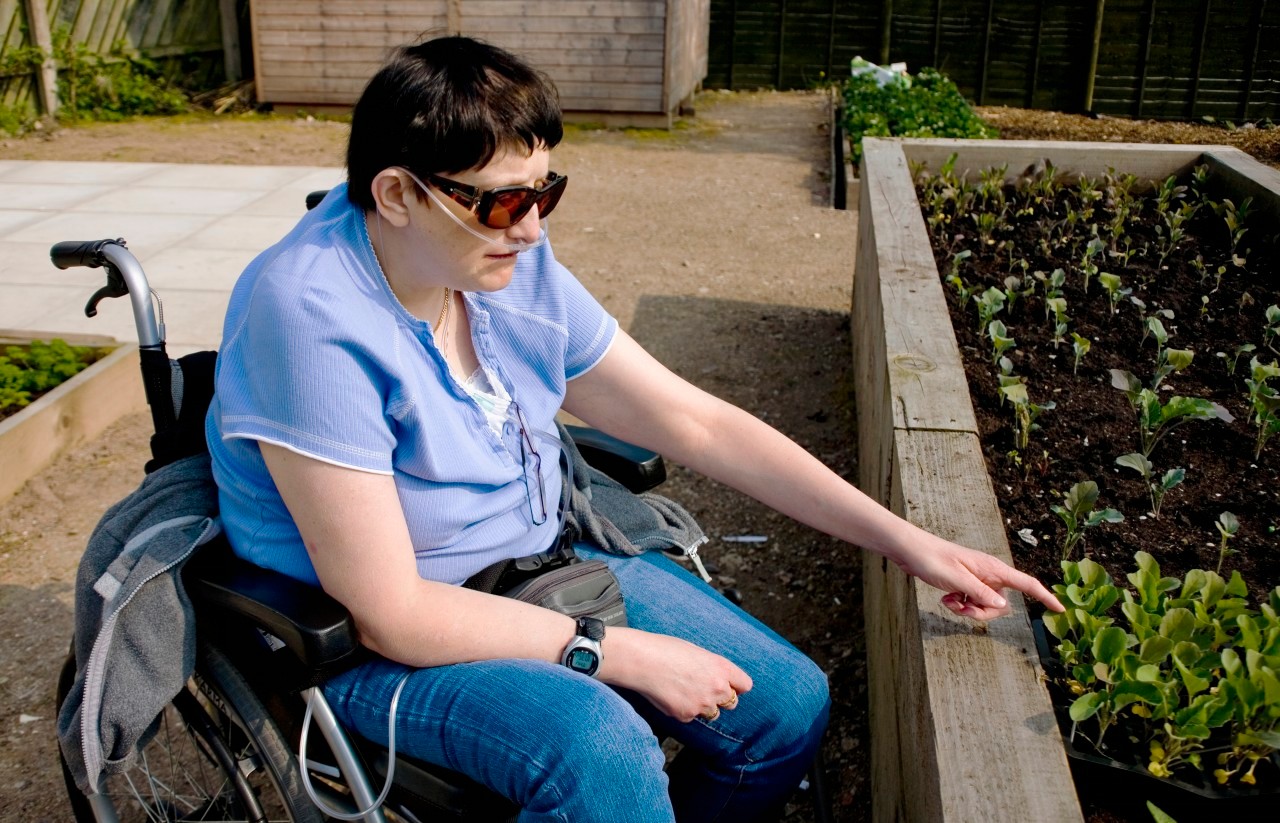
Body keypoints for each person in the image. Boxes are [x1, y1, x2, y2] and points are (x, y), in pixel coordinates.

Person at [206, 36, 1063, 823]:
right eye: (504, 203)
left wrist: (911, 543)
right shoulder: (310, 317)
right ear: (397, 193)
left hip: (531, 571)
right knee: (606, 754)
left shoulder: (502, 261)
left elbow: (694, 420)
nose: (536, 228)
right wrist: (611, 652)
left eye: (547, 191)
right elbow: (393, 613)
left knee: (785, 705)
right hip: (369, 646)